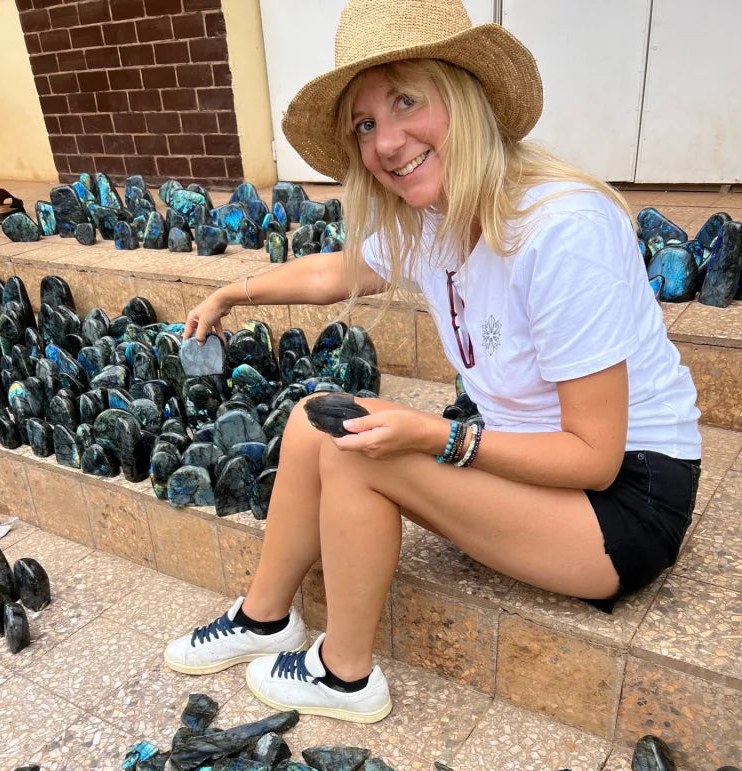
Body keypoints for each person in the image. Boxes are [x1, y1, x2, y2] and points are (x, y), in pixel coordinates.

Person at [164, 0, 701, 724]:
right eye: (365, 124)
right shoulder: (437, 217)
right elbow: (338, 272)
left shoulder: (562, 231)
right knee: (314, 418)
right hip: (538, 466)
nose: (387, 142)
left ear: (462, 97)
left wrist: (438, 437)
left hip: (623, 502)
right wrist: (233, 291)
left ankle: (345, 676)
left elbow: (595, 458)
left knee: (356, 452)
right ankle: (264, 618)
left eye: (405, 102)